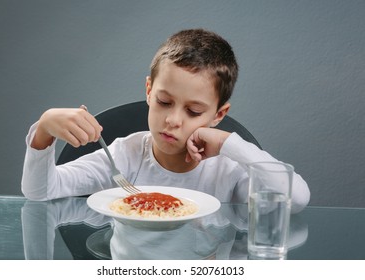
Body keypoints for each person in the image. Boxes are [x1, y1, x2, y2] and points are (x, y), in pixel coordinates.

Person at [22, 29, 310, 213]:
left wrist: (227, 143)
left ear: (219, 115)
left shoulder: (228, 171)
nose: (173, 120)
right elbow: (40, 191)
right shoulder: (123, 156)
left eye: (194, 112)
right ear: (149, 91)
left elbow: (296, 198)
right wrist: (45, 130)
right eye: (164, 102)